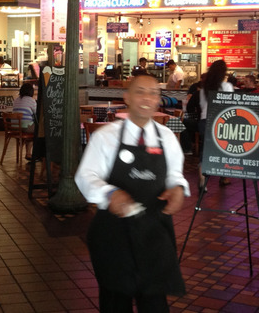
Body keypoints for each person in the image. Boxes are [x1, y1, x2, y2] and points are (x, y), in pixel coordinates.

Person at [75, 74, 188, 312]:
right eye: (140, 91)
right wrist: (109, 193)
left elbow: (175, 174)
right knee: (115, 301)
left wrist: (178, 188)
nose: (147, 98)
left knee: (155, 302)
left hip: (155, 232)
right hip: (113, 234)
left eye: (153, 93)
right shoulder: (105, 136)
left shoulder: (166, 137)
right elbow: (85, 176)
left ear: (159, 100)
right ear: (126, 97)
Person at [199, 59, 234, 189]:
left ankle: (202, 181)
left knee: (205, 151)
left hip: (204, 121)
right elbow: (229, 107)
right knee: (223, 149)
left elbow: (202, 105)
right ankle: (223, 177)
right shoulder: (227, 87)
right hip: (221, 122)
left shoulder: (204, 87)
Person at [12, 82, 36, 159]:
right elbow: (36, 113)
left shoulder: (16, 100)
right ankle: (30, 154)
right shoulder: (31, 100)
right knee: (38, 131)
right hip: (25, 127)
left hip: (14, 127)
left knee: (29, 128)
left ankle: (28, 154)